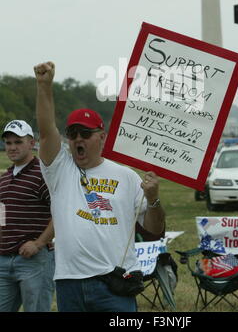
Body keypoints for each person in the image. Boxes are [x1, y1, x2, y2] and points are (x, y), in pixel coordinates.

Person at [34, 61, 166, 312]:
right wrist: (44, 86)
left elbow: (154, 229)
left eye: (85, 133)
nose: (78, 140)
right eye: (72, 134)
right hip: (69, 281)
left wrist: (153, 200)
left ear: (102, 136)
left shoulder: (125, 176)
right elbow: (45, 130)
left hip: (114, 283)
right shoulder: (59, 169)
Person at [0, 120, 55, 312]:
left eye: (18, 141)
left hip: (35, 260)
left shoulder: (43, 174)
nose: (12, 147)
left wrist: (39, 243)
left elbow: (60, 212)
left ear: (32, 143)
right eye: (8, 143)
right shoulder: (4, 178)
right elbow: (2, 215)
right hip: (4, 260)